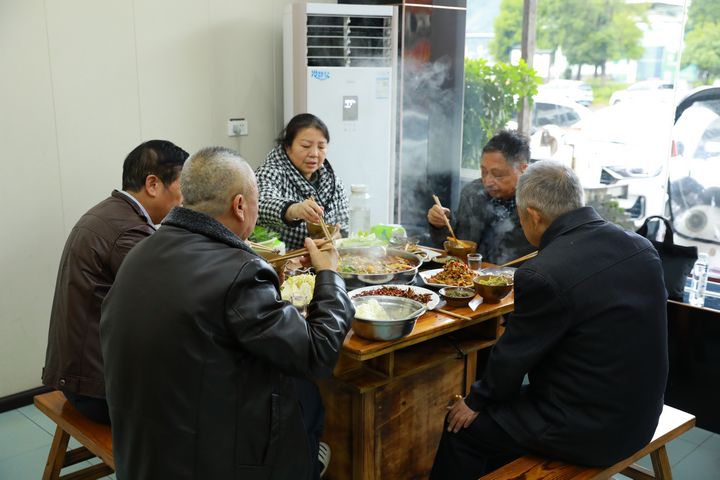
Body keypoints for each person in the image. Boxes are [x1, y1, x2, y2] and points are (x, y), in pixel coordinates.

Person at [100, 146, 354, 480]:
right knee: (305, 393)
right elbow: (317, 353)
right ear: (239, 205)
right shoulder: (241, 273)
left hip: (146, 451)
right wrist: (329, 276)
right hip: (209, 461)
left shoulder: (141, 251)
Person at [430, 161, 668, 479]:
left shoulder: (544, 273)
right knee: (505, 415)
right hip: (642, 415)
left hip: (594, 431)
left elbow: (514, 358)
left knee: (463, 431)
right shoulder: (641, 248)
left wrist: (474, 401)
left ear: (534, 215)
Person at [41, 140, 188, 425]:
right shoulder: (128, 231)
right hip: (96, 390)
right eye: (182, 188)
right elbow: (171, 300)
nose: (183, 201)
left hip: (77, 375)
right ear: (153, 184)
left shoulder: (111, 212)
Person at [427, 129, 534, 265]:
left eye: (498, 174)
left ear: (523, 169)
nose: (487, 181)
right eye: (484, 172)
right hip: (468, 278)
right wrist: (440, 225)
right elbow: (456, 247)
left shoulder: (536, 204)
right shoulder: (472, 193)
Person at [256, 113, 349, 250]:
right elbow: (261, 204)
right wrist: (294, 209)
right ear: (288, 146)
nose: (314, 153)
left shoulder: (331, 181)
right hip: (284, 261)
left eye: (321, 147)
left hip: (326, 256)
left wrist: (337, 237)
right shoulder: (269, 172)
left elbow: (344, 223)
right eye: (306, 146)